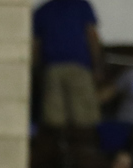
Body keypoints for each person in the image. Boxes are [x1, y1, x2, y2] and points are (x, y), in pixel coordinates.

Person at [32, 0, 102, 128]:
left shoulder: (43, 10)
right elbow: (92, 36)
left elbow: (36, 46)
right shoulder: (81, 5)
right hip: (78, 67)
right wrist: (97, 66)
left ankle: (58, 141)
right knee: (85, 120)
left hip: (52, 69)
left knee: (54, 120)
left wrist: (37, 72)